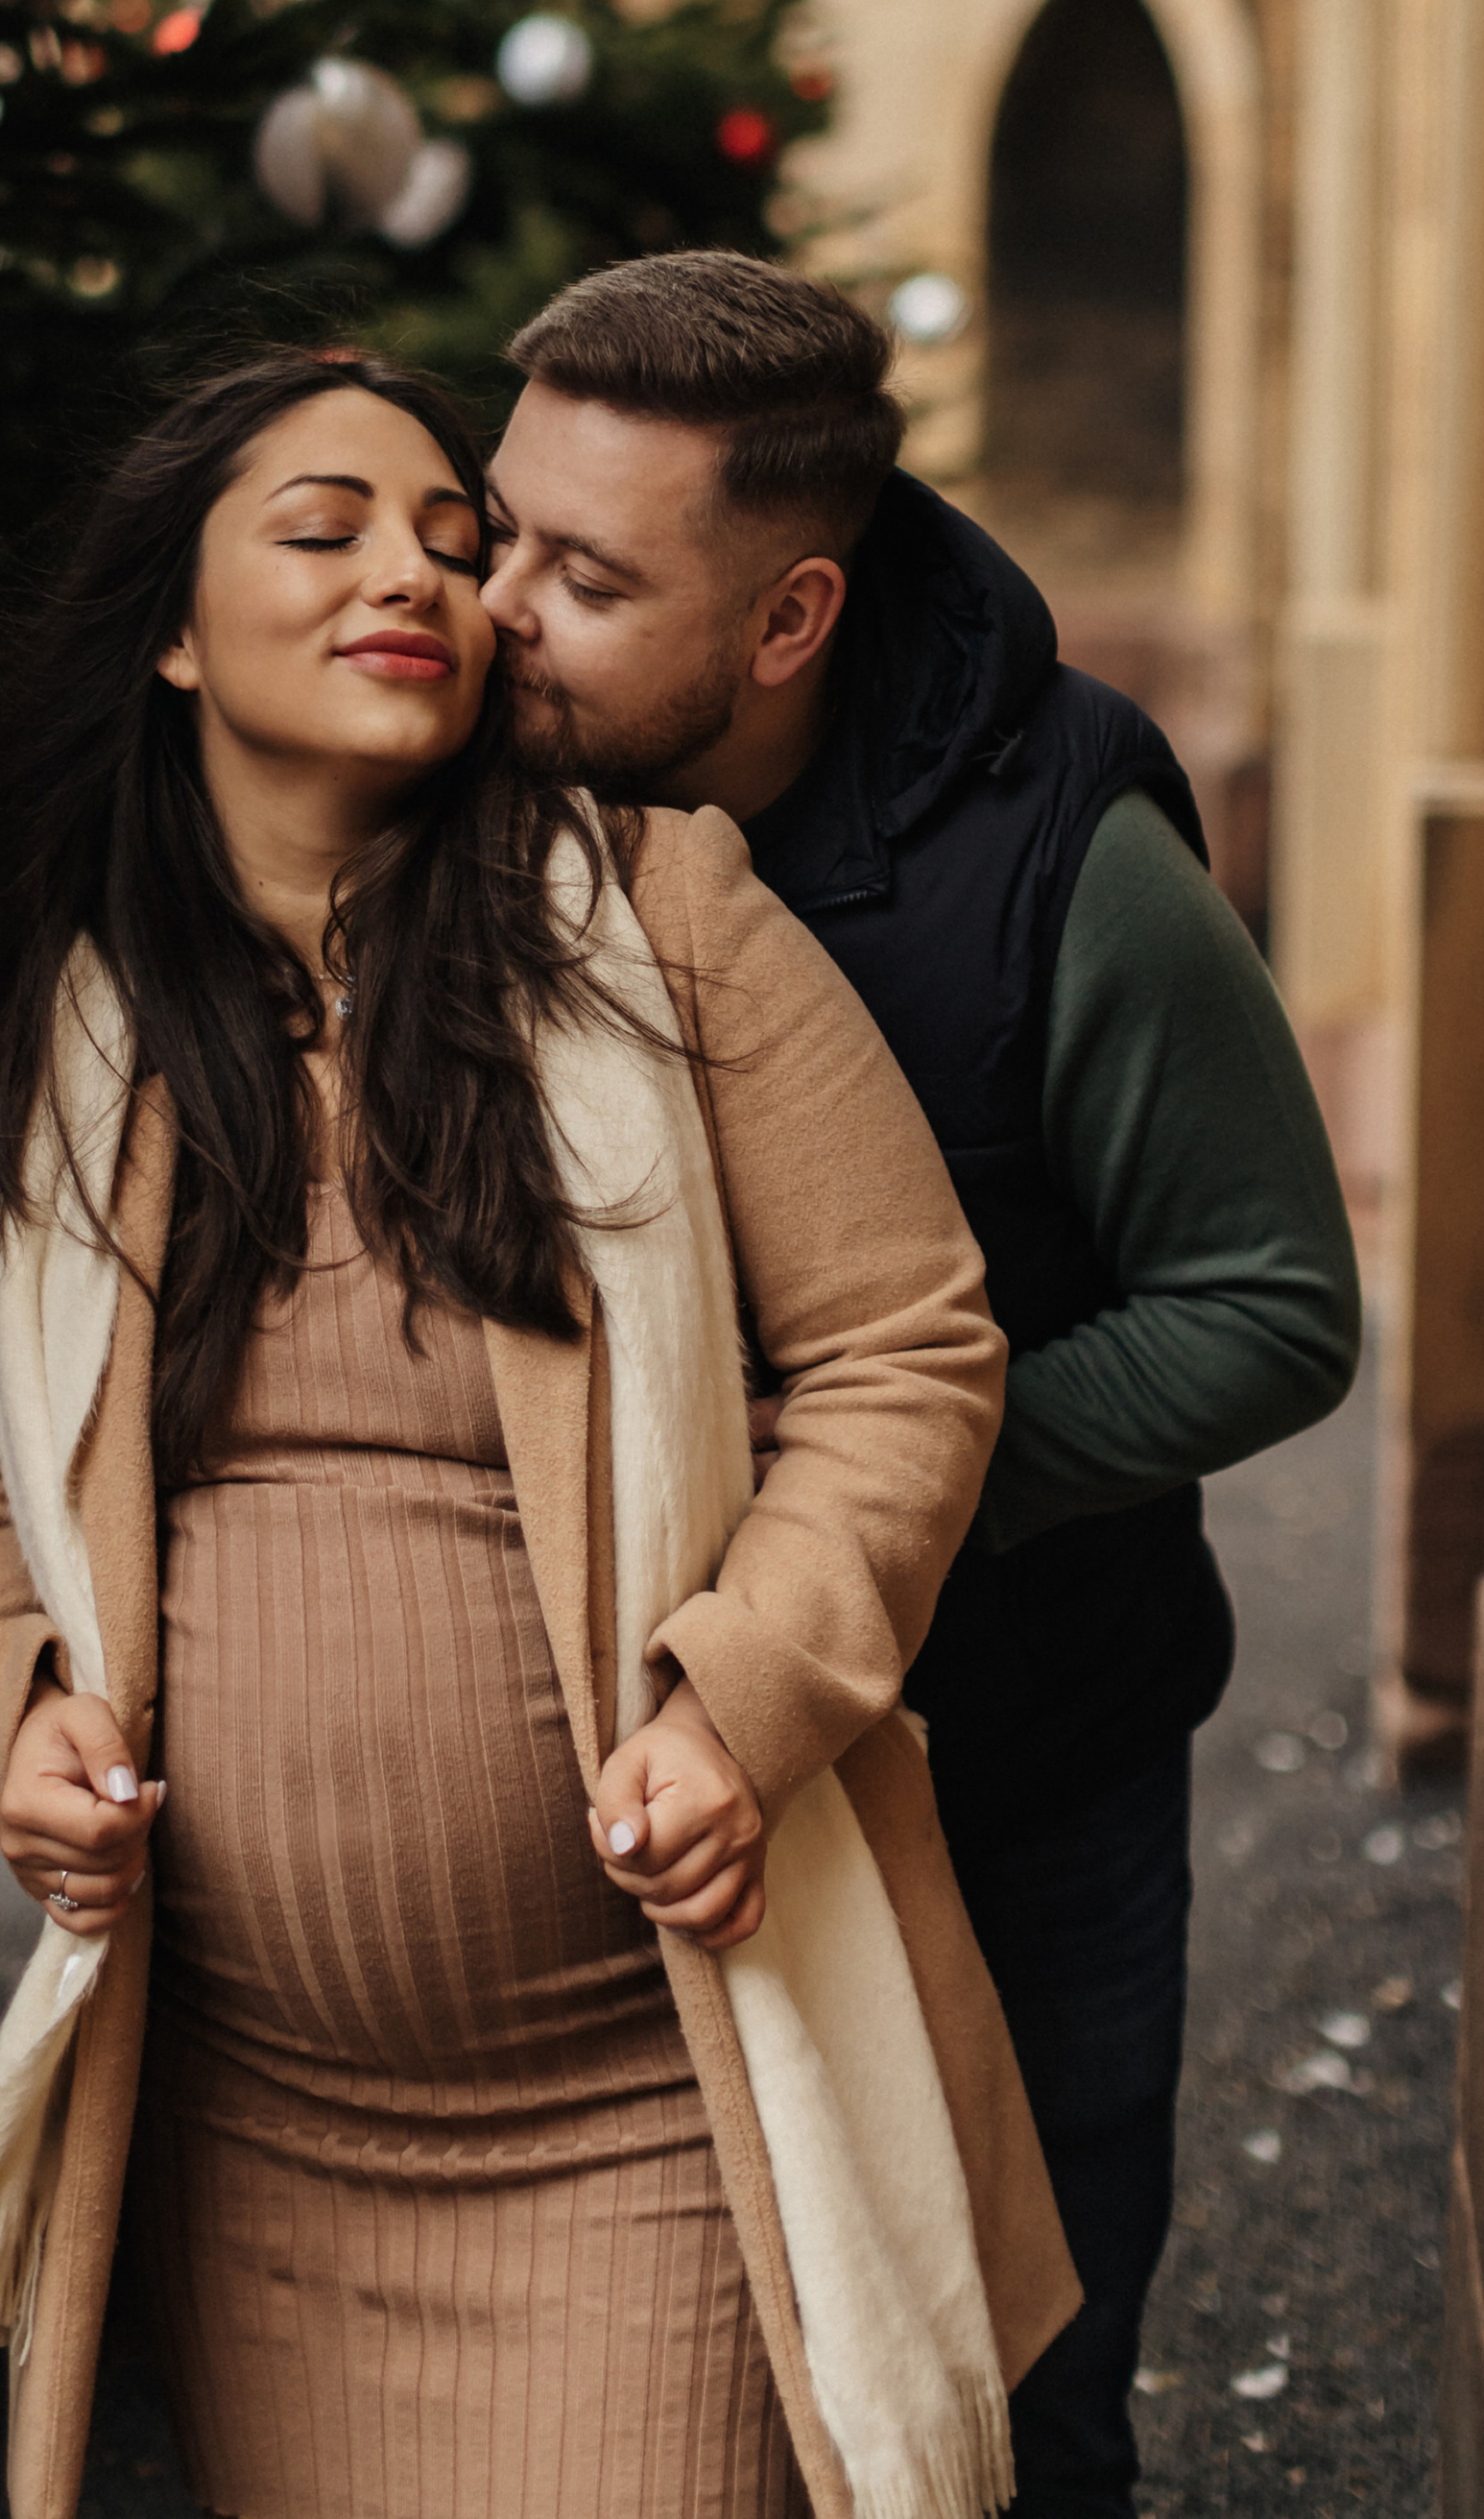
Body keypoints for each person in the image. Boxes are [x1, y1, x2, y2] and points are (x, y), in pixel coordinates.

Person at [0, 347, 1080, 2519]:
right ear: (169, 627)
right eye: (322, 533)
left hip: (654, 2098)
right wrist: (9, 1709)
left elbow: (907, 1345)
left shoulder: (665, 925)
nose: (417, 576)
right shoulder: (60, 1027)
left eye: (453, 539)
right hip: (256, 2134)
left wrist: (739, 1704)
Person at [479, 252, 1362, 2519]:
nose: (495, 609)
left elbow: (1263, 1306)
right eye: (501, 529)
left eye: (583, 575)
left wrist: (851, 1514)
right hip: (621, 1816)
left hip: (1014, 1777)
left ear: (786, 622)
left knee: (1006, 2413)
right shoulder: (478, 786)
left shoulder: (1075, 859)